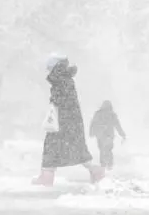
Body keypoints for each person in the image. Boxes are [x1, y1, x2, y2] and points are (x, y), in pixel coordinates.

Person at [32, 54, 105, 187]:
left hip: (63, 120)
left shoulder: (60, 79)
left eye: (49, 68)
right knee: (76, 148)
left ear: (55, 67)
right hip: (70, 120)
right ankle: (95, 170)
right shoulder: (64, 78)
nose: (48, 72)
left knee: (52, 146)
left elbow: (61, 101)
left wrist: (54, 107)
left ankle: (46, 177)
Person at [89, 100, 126, 169]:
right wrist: (122, 134)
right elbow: (117, 125)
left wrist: (92, 132)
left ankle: (103, 165)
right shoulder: (112, 115)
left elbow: (93, 123)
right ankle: (109, 165)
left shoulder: (98, 114)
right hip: (109, 135)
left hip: (100, 135)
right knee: (108, 149)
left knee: (102, 150)